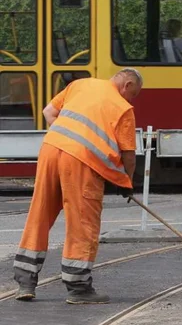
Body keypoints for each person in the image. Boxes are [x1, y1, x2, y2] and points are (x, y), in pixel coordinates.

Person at [13, 68, 143, 304]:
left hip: (51, 150)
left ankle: (25, 281)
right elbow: (129, 155)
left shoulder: (81, 84)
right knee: (82, 221)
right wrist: (126, 182)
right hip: (81, 162)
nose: (131, 99)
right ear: (128, 85)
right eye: (133, 94)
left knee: (39, 213)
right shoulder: (123, 108)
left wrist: (66, 140)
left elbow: (49, 112)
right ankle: (78, 287)